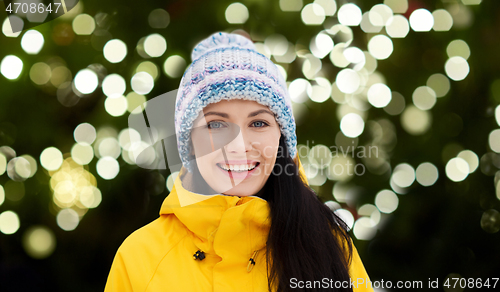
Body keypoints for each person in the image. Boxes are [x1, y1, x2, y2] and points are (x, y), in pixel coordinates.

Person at [104, 31, 374, 292]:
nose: (239, 146)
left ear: (281, 136)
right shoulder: (140, 258)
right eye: (217, 125)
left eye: (258, 123)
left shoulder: (328, 244)